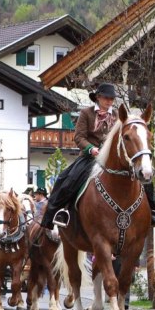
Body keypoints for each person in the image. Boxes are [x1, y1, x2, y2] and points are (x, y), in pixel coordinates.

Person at [41, 83, 119, 230]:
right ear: (98, 97)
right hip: (91, 157)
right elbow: (79, 137)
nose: (109, 101)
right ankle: (60, 212)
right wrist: (91, 149)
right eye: (106, 98)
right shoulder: (86, 113)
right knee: (68, 180)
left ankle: (150, 211)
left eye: (112, 99)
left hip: (112, 158)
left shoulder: (116, 115)